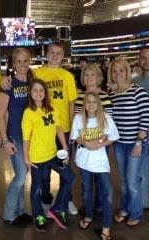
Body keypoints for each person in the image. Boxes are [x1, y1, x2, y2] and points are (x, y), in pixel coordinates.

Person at [1, 42, 78, 215]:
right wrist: (4, 78)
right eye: (52, 52)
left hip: (62, 127)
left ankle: (67, 200)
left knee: (65, 167)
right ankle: (45, 199)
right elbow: (18, 77)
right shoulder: (36, 73)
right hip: (40, 131)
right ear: (46, 54)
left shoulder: (67, 75)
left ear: (63, 55)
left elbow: (71, 103)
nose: (55, 56)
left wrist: (73, 128)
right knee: (43, 171)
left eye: (59, 53)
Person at [22, 79, 74, 232]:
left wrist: (65, 146)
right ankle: (38, 215)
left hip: (52, 155)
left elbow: (58, 128)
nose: (38, 93)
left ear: (45, 93)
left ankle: (57, 208)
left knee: (70, 177)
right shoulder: (28, 113)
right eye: (35, 90)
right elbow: (26, 138)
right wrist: (26, 158)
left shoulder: (52, 108)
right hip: (37, 158)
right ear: (30, 93)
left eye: (41, 90)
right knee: (36, 187)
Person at [71, 92, 119, 240]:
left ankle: (106, 225)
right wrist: (85, 143)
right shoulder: (79, 118)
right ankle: (89, 216)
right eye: (88, 102)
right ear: (84, 104)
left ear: (99, 104)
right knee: (86, 190)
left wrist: (99, 145)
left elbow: (113, 137)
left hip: (100, 162)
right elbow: (75, 137)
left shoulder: (105, 118)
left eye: (94, 102)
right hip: (84, 161)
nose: (91, 105)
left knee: (108, 193)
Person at [108, 58, 149, 226]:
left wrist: (139, 142)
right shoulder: (112, 94)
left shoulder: (138, 91)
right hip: (119, 144)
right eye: (114, 71)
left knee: (132, 182)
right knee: (124, 181)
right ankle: (124, 209)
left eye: (121, 70)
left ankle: (136, 213)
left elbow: (146, 118)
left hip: (135, 144)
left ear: (127, 71)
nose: (118, 74)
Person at [0, 48, 33, 227]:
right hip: (14, 136)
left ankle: (19, 211)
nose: (22, 64)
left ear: (30, 61)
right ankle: (9, 214)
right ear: (13, 64)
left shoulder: (33, 81)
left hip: (30, 138)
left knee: (23, 174)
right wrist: (5, 140)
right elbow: (1, 113)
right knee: (20, 177)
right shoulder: (8, 84)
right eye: (18, 61)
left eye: (25, 60)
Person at [74, 64, 112, 214]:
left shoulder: (104, 96)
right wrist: (82, 141)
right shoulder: (78, 97)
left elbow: (109, 122)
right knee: (86, 177)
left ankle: (100, 206)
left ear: (99, 78)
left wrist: (99, 142)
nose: (89, 78)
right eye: (86, 75)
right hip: (83, 143)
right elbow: (77, 120)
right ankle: (88, 206)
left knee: (100, 177)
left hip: (100, 143)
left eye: (92, 75)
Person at [134, 46, 149, 209]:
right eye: (143, 57)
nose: (147, 61)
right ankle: (144, 202)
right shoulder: (135, 81)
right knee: (143, 171)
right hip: (141, 133)